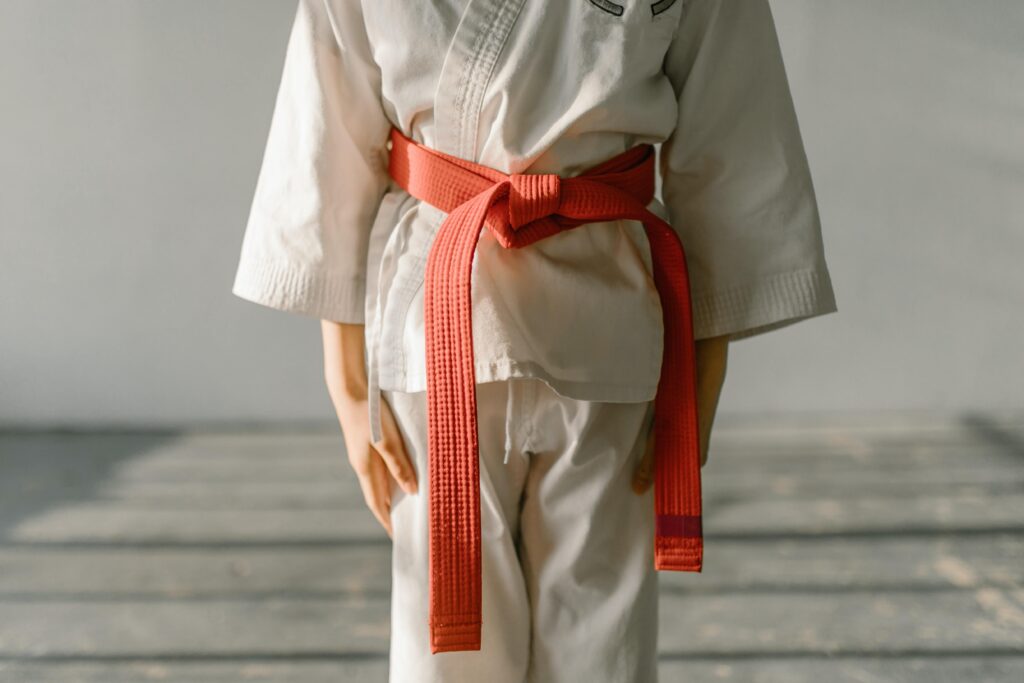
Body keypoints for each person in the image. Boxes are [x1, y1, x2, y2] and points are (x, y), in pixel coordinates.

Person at [231, 1, 837, 681]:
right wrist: (343, 374)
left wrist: (706, 361)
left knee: (598, 624)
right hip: (445, 318)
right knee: (455, 636)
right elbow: (330, 115)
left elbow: (731, 121)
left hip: (606, 317)